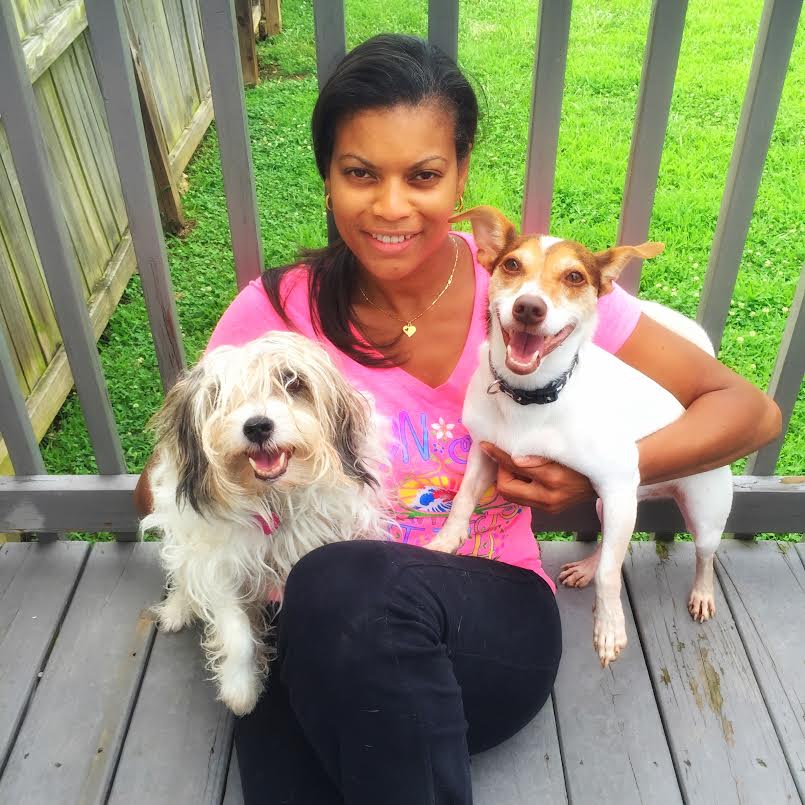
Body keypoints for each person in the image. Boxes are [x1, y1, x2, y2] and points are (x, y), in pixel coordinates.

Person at [134, 34, 780, 804]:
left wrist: (593, 472)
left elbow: (750, 411)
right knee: (307, 690)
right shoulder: (275, 314)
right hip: (315, 631)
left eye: (424, 175)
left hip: (487, 615)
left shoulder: (530, 300)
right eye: (360, 173)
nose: (391, 206)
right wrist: (234, 475)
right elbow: (161, 488)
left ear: (461, 176)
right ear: (327, 178)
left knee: (343, 580)